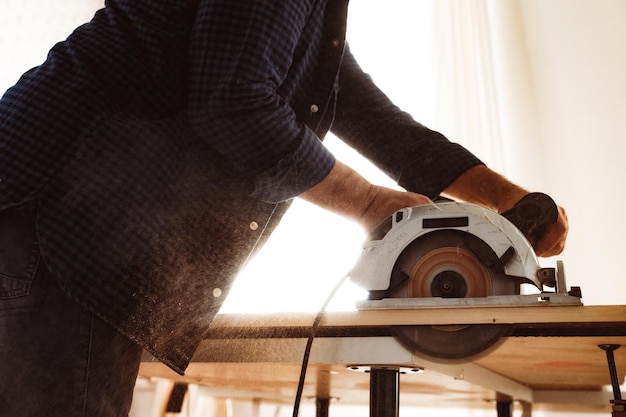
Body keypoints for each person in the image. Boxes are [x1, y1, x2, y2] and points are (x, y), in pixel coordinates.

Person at [0, 1, 568, 416]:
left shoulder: (310, 19)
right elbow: (233, 104)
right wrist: (370, 203)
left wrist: (506, 199)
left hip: (49, 216)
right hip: (54, 226)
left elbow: (372, 119)